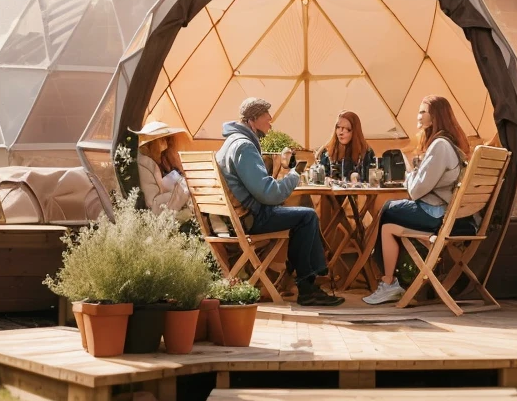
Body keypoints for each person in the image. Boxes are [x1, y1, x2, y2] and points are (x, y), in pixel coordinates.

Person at [216, 97, 344, 307]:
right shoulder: (244, 147)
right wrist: (293, 176)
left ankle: (301, 281)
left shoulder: (230, 143)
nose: (271, 119)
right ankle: (308, 286)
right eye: (267, 115)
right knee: (307, 216)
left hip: (234, 218)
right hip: (250, 219)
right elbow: (269, 194)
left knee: (299, 216)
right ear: (253, 119)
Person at [363, 95, 476, 306]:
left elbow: (415, 191)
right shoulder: (449, 145)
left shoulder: (440, 146)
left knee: (387, 210)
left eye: (423, 111)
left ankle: (389, 281)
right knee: (388, 225)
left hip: (436, 214)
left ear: (435, 117)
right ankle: (392, 281)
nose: (418, 115)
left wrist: (410, 171)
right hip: (447, 214)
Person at [134, 121, 191, 217]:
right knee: (186, 185)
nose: (166, 145)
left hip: (159, 207)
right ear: (154, 142)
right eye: (163, 140)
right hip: (156, 211)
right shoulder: (145, 162)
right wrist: (180, 189)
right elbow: (153, 202)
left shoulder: (148, 159)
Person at [316, 111, 377, 182]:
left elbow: (372, 183)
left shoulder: (366, 153)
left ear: (355, 131)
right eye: (338, 127)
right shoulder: (326, 152)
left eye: (347, 129)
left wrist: (356, 178)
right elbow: (319, 179)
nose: (341, 132)